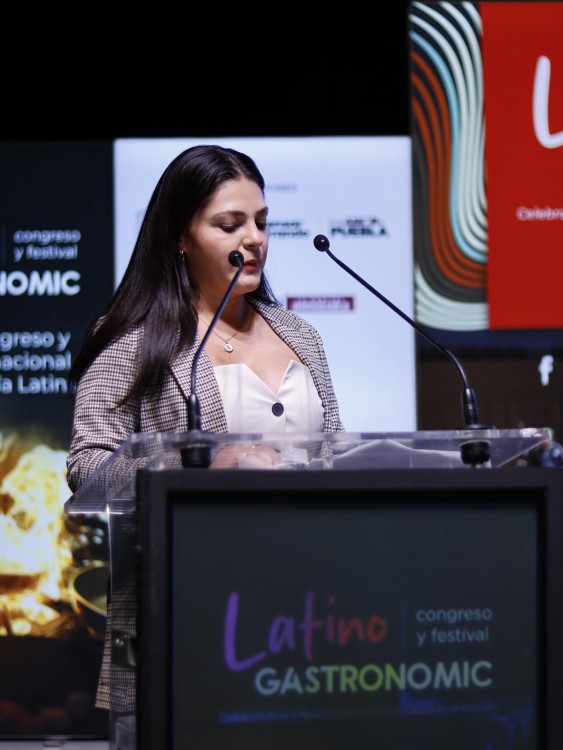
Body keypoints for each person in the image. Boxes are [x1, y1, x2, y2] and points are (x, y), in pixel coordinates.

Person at [66, 144, 344, 713]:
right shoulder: (134, 343)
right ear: (180, 237)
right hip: (188, 611)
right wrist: (198, 463)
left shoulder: (301, 336)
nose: (254, 239)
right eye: (230, 224)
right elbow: (87, 471)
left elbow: (336, 456)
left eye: (261, 222)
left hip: (310, 610)